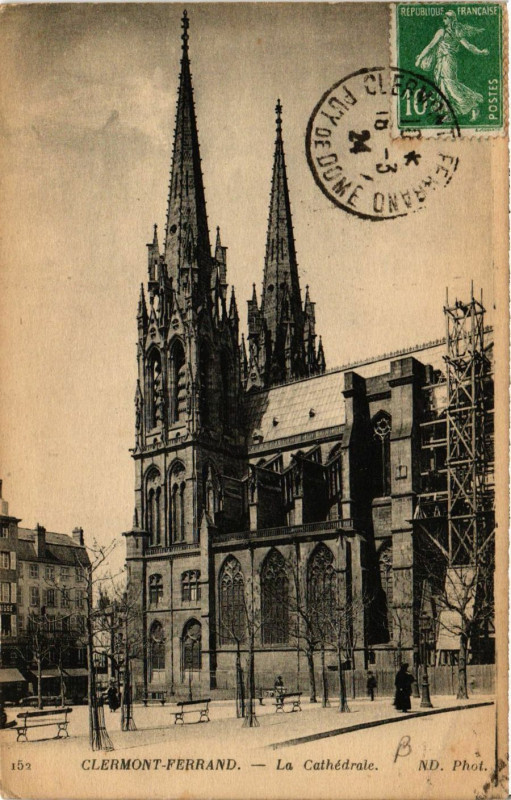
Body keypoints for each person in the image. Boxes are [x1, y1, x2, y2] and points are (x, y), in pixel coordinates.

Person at [415, 10, 489, 122]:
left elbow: (431, 46)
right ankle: (449, 112)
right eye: (443, 18)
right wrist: (480, 52)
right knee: (443, 86)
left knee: (451, 86)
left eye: (446, 18)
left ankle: (473, 105)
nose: (444, 20)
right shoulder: (452, 32)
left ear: (451, 19)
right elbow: (468, 46)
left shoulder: (445, 32)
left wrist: (420, 58)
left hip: (447, 61)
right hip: (442, 61)